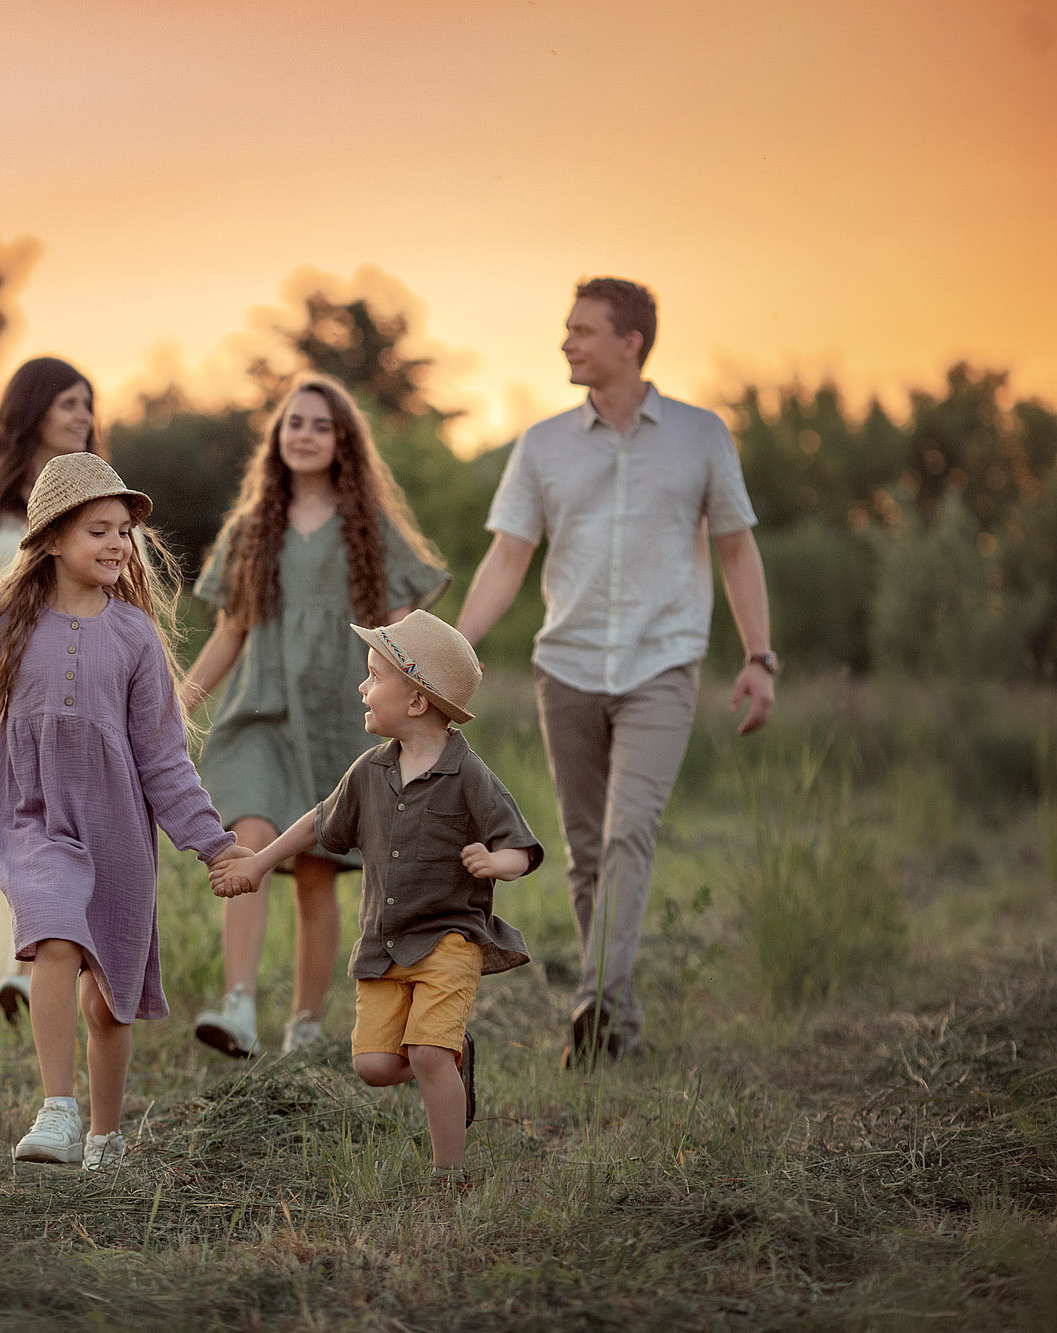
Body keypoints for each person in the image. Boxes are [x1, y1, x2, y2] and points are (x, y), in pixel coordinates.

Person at [0, 453, 252, 1170]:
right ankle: (58, 1108)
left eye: (123, 531)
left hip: (118, 834)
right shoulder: (9, 625)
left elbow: (165, 758)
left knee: (108, 1005)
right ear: (50, 540)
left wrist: (213, 843)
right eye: (97, 529)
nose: (117, 543)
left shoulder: (135, 636)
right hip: (34, 818)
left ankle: (106, 1134)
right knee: (53, 932)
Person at [455, 277, 776, 1068]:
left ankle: (594, 1000)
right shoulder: (543, 445)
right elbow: (508, 556)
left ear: (630, 342)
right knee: (586, 849)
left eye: (582, 330)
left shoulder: (702, 436)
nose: (566, 341)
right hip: (565, 667)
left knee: (629, 830)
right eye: (567, 328)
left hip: (661, 664)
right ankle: (617, 1026)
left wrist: (758, 656)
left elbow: (737, 548)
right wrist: (455, 646)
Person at [211, 611, 541, 1185]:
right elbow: (320, 822)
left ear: (416, 701)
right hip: (385, 944)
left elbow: (521, 846)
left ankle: (448, 1173)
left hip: (449, 938)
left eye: (374, 676)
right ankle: (453, 1055)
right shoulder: (369, 770)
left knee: (427, 1053)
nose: (362, 688)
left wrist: (497, 864)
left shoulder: (468, 774)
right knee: (374, 1065)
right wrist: (260, 862)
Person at [181, 375, 450, 1057]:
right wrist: (179, 702)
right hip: (261, 710)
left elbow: (402, 634)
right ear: (277, 436)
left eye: (320, 425)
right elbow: (230, 632)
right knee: (248, 833)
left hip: (337, 716)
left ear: (342, 442)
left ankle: (304, 1023)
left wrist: (422, 705)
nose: (304, 434)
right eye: (293, 422)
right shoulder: (251, 529)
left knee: (315, 867)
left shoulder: (371, 530)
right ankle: (239, 1006)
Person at [0, 357, 103, 1023]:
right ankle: (20, 976)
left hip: (80, 696)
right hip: (3, 698)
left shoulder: (98, 499)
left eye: (88, 404)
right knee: (7, 841)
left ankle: (57, 975)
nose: (83, 416)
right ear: (31, 411)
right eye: (69, 403)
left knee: (73, 837)